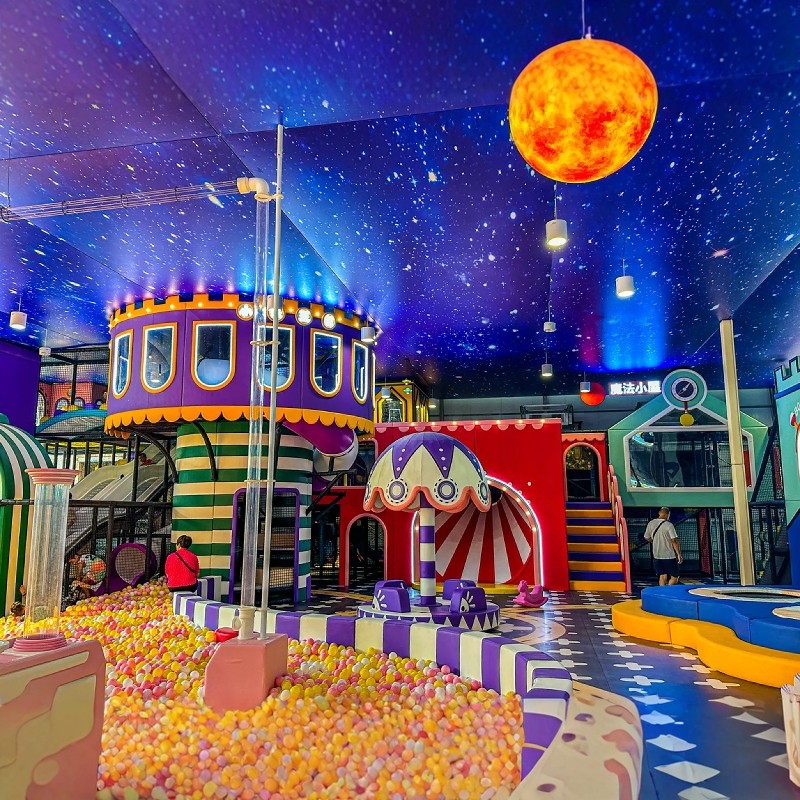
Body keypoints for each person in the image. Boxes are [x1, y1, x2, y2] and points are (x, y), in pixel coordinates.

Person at [644, 507, 683, 586]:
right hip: (669, 555)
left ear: (659, 513)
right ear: (668, 514)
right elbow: (674, 540)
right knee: (675, 576)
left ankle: (662, 591)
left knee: (662, 575)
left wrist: (654, 541)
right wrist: (678, 554)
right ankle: (668, 589)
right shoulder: (669, 525)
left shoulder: (651, 523)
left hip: (657, 555)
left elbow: (646, 537)